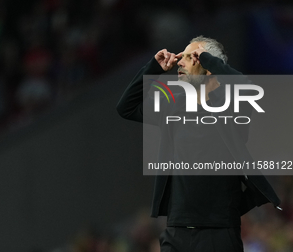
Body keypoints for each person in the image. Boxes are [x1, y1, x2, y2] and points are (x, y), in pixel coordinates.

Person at [116, 36, 281, 252]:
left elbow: (245, 86)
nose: (179, 62)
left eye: (188, 57)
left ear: (208, 66)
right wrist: (153, 68)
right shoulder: (172, 108)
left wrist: (208, 59)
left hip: (219, 233)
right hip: (176, 231)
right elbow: (126, 107)